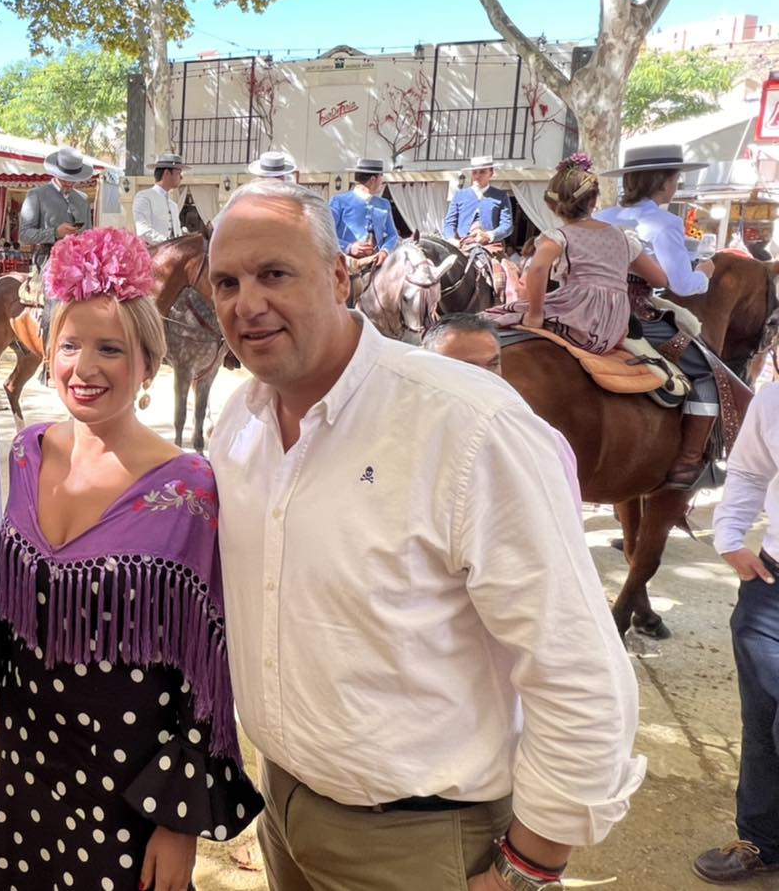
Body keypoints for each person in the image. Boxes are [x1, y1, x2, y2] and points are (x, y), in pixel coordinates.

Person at [206, 178, 644, 891]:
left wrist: (529, 865)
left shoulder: (467, 426)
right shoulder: (241, 425)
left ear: (340, 275)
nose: (245, 303)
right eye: (226, 281)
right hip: (282, 809)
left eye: (274, 274)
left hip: (422, 843)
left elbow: (579, 670)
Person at [0, 226, 260, 889]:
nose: (85, 367)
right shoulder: (27, 451)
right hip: (22, 765)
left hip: (128, 785)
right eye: (70, 345)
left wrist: (179, 820)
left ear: (147, 368)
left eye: (110, 349)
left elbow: (206, 665)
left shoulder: (189, 487)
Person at [693, 383, 779, 883]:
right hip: (771, 585)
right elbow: (749, 470)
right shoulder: (772, 402)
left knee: (695, 375)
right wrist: (728, 536)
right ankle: (762, 840)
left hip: (631, 315)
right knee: (763, 716)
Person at [594, 144, 718, 490]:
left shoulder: (603, 216)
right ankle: (687, 464)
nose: (676, 185)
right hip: (633, 311)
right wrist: (705, 270)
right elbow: (679, 283)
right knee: (706, 370)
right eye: (676, 179)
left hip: (588, 308)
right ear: (662, 183)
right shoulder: (665, 223)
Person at [485, 154, 670, 354]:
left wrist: (535, 313)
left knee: (491, 316)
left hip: (578, 314)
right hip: (614, 326)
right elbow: (660, 280)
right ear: (593, 200)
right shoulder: (624, 238)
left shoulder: (559, 236)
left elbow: (538, 268)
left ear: (551, 205)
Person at [422, 312, 583, 517]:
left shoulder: (544, 440)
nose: (484, 379)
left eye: (492, 365)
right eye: (464, 367)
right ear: (426, 364)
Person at [18, 145, 95, 270]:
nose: (69, 183)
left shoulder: (83, 198)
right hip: (48, 264)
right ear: (56, 173)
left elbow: (89, 234)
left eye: (73, 180)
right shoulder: (36, 195)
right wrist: (55, 233)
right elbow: (24, 235)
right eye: (65, 179)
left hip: (80, 264)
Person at [329, 157, 399, 267]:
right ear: (373, 179)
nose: (382, 181)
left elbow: (393, 234)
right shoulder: (339, 201)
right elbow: (326, 234)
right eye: (381, 177)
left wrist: (384, 251)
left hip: (376, 264)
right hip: (344, 264)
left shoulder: (384, 204)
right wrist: (349, 247)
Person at [443, 155, 514, 247]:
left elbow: (507, 225)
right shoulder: (459, 195)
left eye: (482, 172)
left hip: (490, 245)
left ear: (491, 173)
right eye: (474, 172)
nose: (477, 176)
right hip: (462, 244)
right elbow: (449, 222)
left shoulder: (501, 196)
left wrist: (489, 235)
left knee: (498, 262)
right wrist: (451, 239)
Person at [133, 152, 185, 244]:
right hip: (152, 255)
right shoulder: (144, 197)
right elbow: (143, 231)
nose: (181, 177)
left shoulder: (173, 205)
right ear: (167, 173)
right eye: (178, 173)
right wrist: (168, 243)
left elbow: (177, 234)